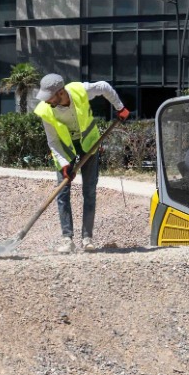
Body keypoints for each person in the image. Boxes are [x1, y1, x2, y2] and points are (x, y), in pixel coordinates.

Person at [32, 73, 129, 253]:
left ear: (60, 92)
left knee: (89, 191)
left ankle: (87, 238)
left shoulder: (79, 90)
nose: (46, 101)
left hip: (89, 144)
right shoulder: (45, 110)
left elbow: (104, 86)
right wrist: (64, 165)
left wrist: (120, 107)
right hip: (64, 150)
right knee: (62, 193)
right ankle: (67, 239)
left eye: (49, 96)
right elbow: (53, 141)